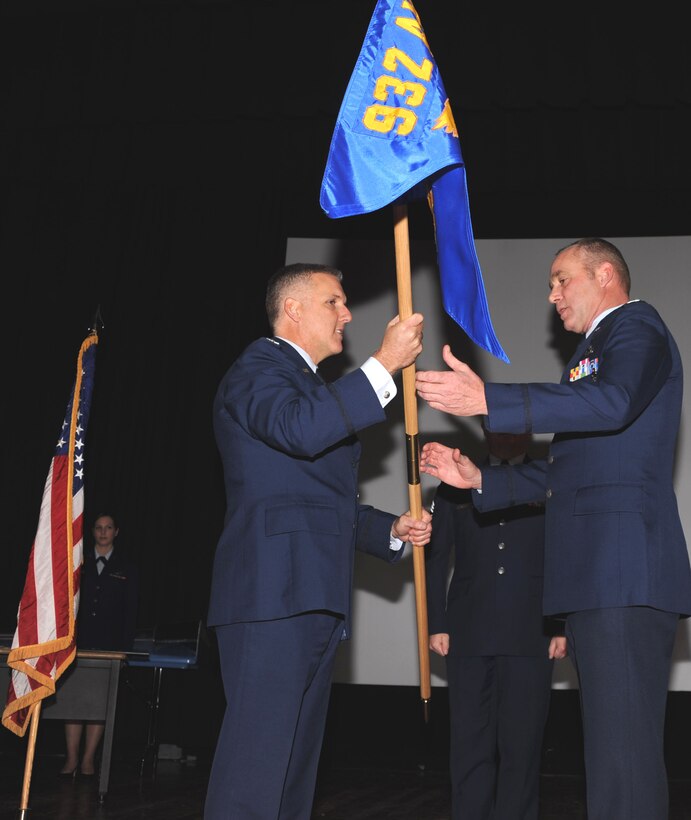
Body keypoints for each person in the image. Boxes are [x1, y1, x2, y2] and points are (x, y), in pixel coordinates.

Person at [416, 237, 691, 820]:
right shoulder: (592, 353)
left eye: (563, 279)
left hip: (621, 572)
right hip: (601, 577)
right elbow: (568, 469)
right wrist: (479, 480)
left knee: (624, 759)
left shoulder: (634, 326)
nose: (552, 295)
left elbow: (613, 403)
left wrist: (490, 398)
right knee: (615, 755)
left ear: (607, 274)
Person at [204, 262, 433, 820]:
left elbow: (313, 501)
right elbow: (301, 431)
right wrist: (383, 366)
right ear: (293, 309)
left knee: (292, 774)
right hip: (272, 596)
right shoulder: (258, 367)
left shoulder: (309, 387)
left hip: (308, 595)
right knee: (256, 770)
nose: (348, 314)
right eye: (335, 301)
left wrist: (388, 529)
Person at [427, 425, 566, 820]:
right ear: (486, 435)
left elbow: (562, 554)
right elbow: (436, 560)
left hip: (532, 631)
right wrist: (437, 622)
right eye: (496, 431)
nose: (505, 439)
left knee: (522, 744)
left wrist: (559, 624)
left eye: (513, 432)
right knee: (469, 741)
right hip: (468, 631)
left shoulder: (547, 481)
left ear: (527, 436)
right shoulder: (456, 484)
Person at [60, 512, 139, 778]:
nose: (103, 532)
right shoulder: (78, 561)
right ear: (92, 531)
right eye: (98, 528)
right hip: (77, 643)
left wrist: (124, 649)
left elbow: (131, 612)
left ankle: (88, 760)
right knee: (72, 701)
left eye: (108, 528)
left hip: (109, 646)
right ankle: (70, 759)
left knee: (97, 703)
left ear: (116, 531)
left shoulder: (126, 566)